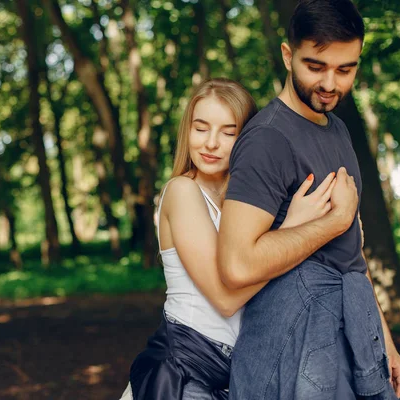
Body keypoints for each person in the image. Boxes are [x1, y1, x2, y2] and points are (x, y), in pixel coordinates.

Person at [217, 1, 400, 399]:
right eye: (316, 66)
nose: (331, 84)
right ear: (288, 56)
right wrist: (332, 223)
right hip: (296, 342)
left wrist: (382, 337)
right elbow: (236, 264)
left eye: (345, 69)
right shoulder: (267, 138)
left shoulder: (336, 128)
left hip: (351, 327)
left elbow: (350, 251)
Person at [121, 78, 337, 400]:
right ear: (187, 132)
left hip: (236, 374)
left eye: (228, 132)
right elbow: (226, 298)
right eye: (201, 128)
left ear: (246, 139)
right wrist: (293, 228)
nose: (210, 143)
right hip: (183, 369)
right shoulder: (182, 191)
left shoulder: (246, 204)